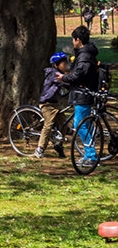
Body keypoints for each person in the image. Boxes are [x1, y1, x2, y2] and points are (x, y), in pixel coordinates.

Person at [68, 26, 102, 167]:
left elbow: (79, 75)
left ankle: (91, 155)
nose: (72, 42)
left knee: (79, 125)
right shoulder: (85, 53)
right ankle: (89, 154)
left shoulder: (84, 56)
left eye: (73, 39)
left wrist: (64, 78)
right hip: (82, 94)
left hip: (84, 94)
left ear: (78, 40)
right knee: (83, 125)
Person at [34, 51, 70, 158]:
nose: (65, 65)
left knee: (64, 124)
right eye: (63, 63)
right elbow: (65, 82)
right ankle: (40, 149)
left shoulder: (61, 75)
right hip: (47, 104)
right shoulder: (53, 73)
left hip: (56, 104)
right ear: (56, 65)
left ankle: (58, 145)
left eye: (66, 62)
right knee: (48, 125)